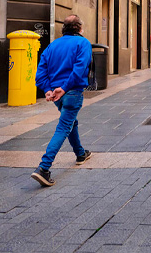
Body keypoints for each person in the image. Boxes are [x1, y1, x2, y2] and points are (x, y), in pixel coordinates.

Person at [31, 15, 93, 187]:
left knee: (71, 122)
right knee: (64, 126)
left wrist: (48, 89)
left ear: (63, 29)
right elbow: (79, 69)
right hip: (71, 92)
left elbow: (41, 71)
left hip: (57, 95)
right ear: (80, 28)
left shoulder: (52, 45)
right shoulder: (83, 43)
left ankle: (80, 154)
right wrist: (65, 88)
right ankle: (43, 168)